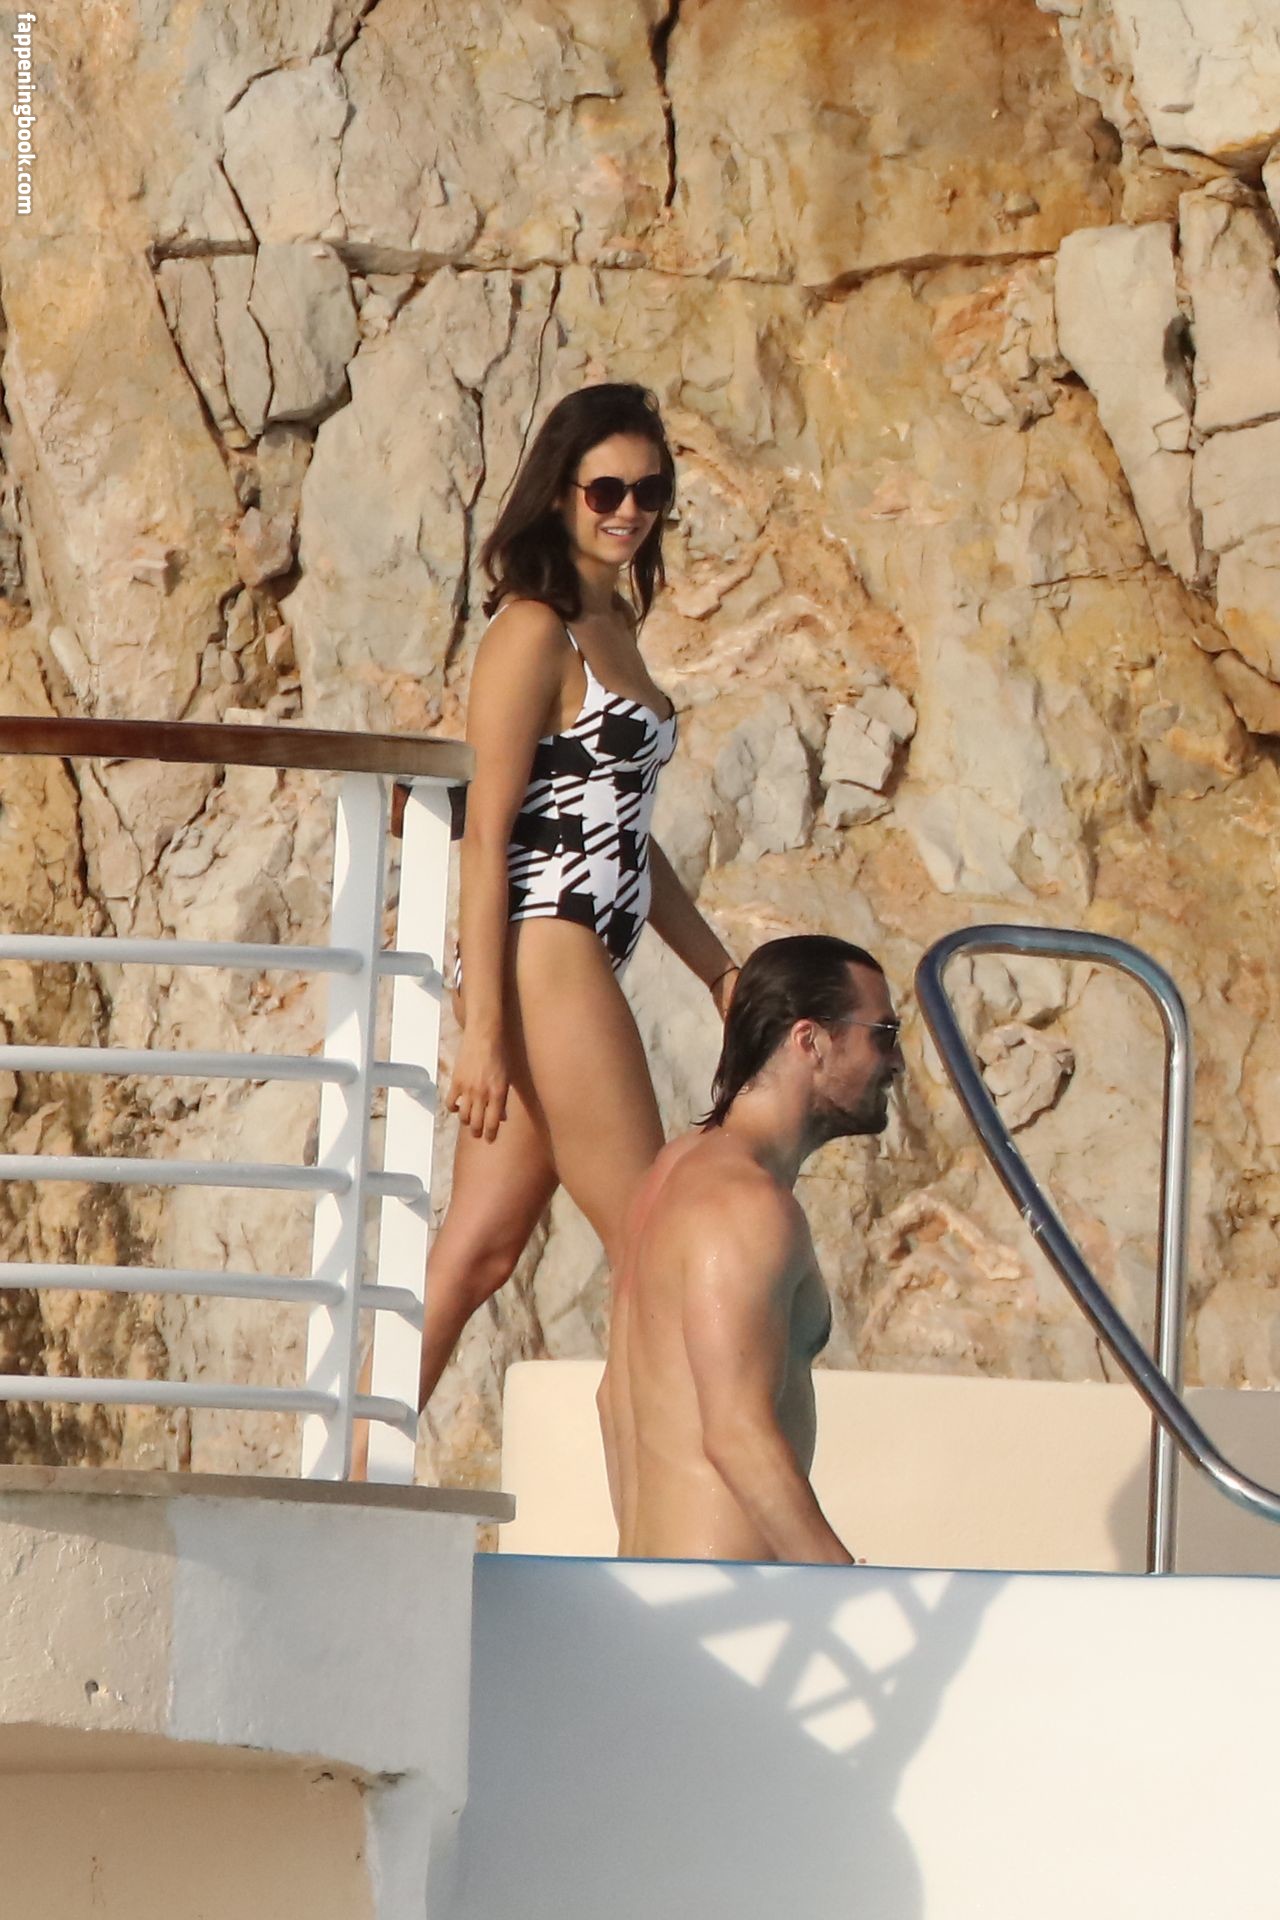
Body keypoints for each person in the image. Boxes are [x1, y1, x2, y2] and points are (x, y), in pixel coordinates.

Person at [417, 383, 739, 1413]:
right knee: (650, 1237)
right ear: (559, 493)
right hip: (545, 953)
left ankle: (347, 1460)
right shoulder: (534, 629)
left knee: (479, 1253)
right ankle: (665, 1479)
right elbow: (487, 834)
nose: (628, 510)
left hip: (578, 950)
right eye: (606, 489)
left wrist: (721, 974)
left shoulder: (612, 621)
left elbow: (628, 838)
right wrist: (481, 1029)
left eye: (649, 490)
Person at [598, 934, 903, 1563]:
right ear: (810, 1040)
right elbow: (737, 1434)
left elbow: (612, 1402)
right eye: (884, 1035)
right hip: (729, 1599)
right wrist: (848, 1587)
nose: (896, 1063)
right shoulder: (745, 1206)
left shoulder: (669, 1175)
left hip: (658, 1584)